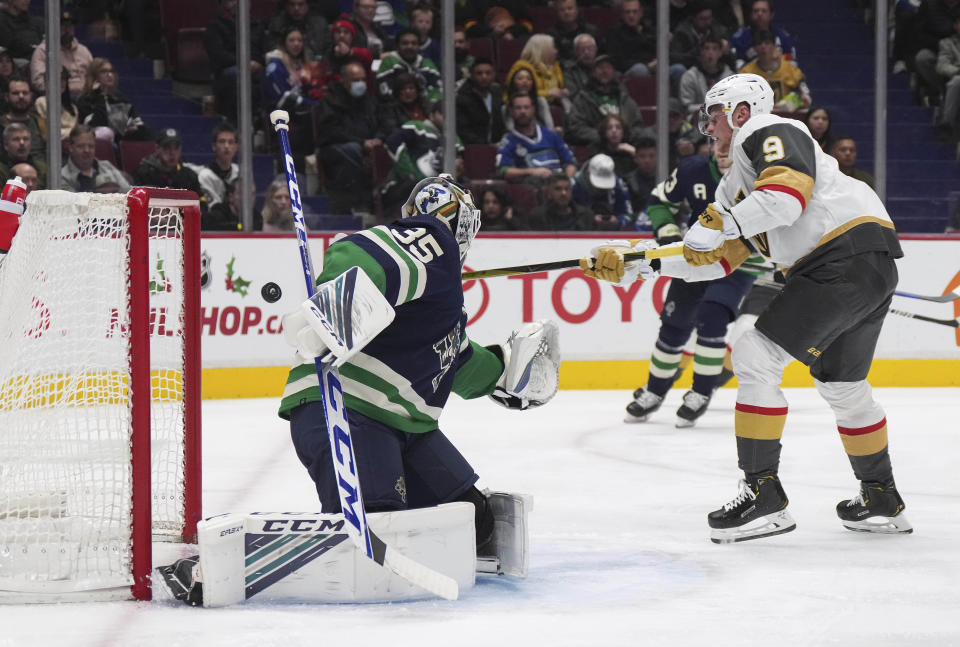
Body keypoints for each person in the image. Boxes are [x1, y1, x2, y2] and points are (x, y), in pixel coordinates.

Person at [581, 73, 911, 542]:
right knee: (843, 385)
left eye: (712, 118)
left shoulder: (766, 130)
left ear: (739, 112)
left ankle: (763, 496)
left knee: (755, 355)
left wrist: (721, 221)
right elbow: (714, 260)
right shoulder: (735, 186)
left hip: (839, 256)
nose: (707, 130)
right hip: (866, 262)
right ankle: (882, 496)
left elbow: (786, 196)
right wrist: (640, 263)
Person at [278, 176, 559, 563]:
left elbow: (455, 361)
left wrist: (510, 373)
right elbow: (361, 253)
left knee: (476, 525)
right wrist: (335, 308)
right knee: (378, 536)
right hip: (348, 410)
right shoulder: (435, 243)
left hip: (403, 427)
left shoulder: (439, 298)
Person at [619, 146, 756, 427]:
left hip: (738, 262)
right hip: (695, 259)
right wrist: (668, 234)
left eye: (729, 146)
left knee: (711, 317)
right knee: (673, 325)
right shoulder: (692, 169)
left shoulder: (755, 178)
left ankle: (701, 392)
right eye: (718, 142)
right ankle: (654, 391)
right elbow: (659, 201)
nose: (721, 150)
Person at [314, 62, 381, 214]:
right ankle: (359, 202)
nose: (360, 84)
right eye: (355, 80)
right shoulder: (331, 101)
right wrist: (361, 142)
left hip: (367, 146)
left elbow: (381, 123)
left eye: (363, 80)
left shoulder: (370, 101)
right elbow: (331, 131)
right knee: (352, 150)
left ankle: (379, 202)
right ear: (344, 80)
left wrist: (377, 139)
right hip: (335, 147)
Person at [380, 102, 463, 218]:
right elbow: (392, 143)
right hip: (402, 186)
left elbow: (459, 164)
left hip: (436, 192)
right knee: (416, 187)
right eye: (443, 114)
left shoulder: (454, 139)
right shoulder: (417, 127)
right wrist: (411, 174)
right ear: (432, 114)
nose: (447, 119)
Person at [565, 54, 650, 147]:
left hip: (626, 148)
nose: (604, 71)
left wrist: (623, 136)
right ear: (593, 72)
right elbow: (577, 127)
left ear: (614, 72)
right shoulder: (583, 99)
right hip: (596, 148)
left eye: (608, 67)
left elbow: (638, 126)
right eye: (600, 68)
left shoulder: (625, 99)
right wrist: (604, 137)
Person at [496, 94, 577, 185]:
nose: (523, 111)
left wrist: (566, 182)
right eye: (518, 108)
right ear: (511, 111)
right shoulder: (508, 141)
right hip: (532, 188)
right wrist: (531, 172)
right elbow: (504, 170)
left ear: (533, 109)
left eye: (526, 107)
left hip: (558, 186)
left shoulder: (551, 135)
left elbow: (571, 162)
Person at [203, 0, 264, 121]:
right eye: (232, 0)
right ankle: (236, 123)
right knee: (240, 76)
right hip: (228, 72)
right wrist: (244, 63)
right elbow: (218, 56)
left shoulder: (257, 24)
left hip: (255, 69)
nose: (237, 3)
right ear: (223, 4)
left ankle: (265, 122)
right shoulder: (215, 26)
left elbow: (263, 50)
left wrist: (258, 63)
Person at [76, 58, 151, 143]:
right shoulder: (85, 100)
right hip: (97, 145)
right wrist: (100, 96)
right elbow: (98, 127)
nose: (110, 75)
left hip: (122, 142)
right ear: (94, 76)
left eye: (112, 71)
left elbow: (139, 124)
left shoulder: (120, 99)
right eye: (104, 72)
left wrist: (135, 129)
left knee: (149, 133)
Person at [738, 30, 811, 112]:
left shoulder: (791, 70)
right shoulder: (746, 72)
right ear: (754, 48)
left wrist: (786, 106)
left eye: (767, 43)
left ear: (774, 46)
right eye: (759, 44)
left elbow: (806, 97)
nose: (763, 47)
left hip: (786, 117)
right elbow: (737, 99)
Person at [133, 128, 205, 207]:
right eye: (167, 147)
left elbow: (202, 203)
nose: (172, 153)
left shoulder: (190, 176)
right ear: (157, 148)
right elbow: (136, 203)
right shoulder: (144, 173)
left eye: (176, 148)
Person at [28, 11, 92, 96]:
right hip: (58, 97)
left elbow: (94, 76)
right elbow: (38, 82)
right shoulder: (43, 51)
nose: (67, 30)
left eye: (70, 26)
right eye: (63, 26)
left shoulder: (83, 51)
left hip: (85, 96)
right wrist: (63, 91)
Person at [377, 28, 442, 105]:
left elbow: (438, 90)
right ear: (397, 46)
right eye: (405, 43)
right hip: (395, 110)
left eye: (414, 43)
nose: (410, 47)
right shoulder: (389, 62)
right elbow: (384, 91)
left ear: (419, 46)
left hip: (424, 110)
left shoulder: (427, 64)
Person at [61, 124, 131, 193]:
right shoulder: (62, 177)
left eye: (91, 146)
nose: (87, 150)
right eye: (81, 146)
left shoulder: (107, 166)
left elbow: (128, 192)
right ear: (70, 148)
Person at [572, 153, 634, 230]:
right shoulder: (573, 186)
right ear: (588, 173)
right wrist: (589, 220)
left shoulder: (619, 185)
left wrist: (618, 221)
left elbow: (628, 215)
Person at [504, 34, 568, 107]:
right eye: (553, 47)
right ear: (543, 50)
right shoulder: (522, 67)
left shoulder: (555, 66)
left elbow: (560, 87)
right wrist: (548, 93)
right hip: (526, 106)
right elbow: (516, 93)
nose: (556, 51)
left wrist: (562, 92)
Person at [730, 0, 797, 68]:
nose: (759, 14)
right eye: (756, 11)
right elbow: (735, 64)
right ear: (751, 14)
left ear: (771, 15)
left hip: (779, 75)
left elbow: (791, 61)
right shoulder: (739, 38)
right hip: (749, 76)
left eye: (764, 11)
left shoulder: (783, 37)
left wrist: (780, 58)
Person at [679, 33, 734, 116]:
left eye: (714, 49)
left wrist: (720, 111)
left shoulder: (729, 77)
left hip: (723, 119)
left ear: (720, 53)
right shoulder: (690, 76)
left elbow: (732, 105)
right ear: (701, 51)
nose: (710, 53)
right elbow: (687, 107)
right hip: (697, 121)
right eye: (706, 48)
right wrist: (709, 108)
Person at [188, 121, 240, 207]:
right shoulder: (206, 176)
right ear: (214, 146)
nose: (226, 146)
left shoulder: (240, 172)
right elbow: (213, 208)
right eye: (222, 142)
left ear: (236, 147)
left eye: (231, 142)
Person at [456, 57, 505, 146]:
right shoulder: (462, 98)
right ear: (472, 75)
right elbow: (463, 131)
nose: (484, 77)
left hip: (497, 146)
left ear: (494, 75)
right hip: (473, 148)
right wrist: (486, 146)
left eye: (488, 73)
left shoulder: (497, 93)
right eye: (479, 73)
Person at [603, 0, 658, 78]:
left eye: (635, 11)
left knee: (677, 69)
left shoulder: (650, 30)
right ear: (622, 14)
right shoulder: (615, 33)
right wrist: (647, 65)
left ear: (641, 13)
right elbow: (618, 62)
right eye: (627, 12)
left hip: (655, 67)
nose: (631, 15)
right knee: (640, 69)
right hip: (630, 71)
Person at [670, 4, 729, 71]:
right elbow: (675, 58)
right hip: (690, 70)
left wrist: (726, 51)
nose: (707, 22)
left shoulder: (718, 31)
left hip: (715, 69)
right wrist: (698, 50)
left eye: (709, 18)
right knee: (678, 69)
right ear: (694, 19)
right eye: (702, 19)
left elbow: (731, 60)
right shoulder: (682, 33)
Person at [528, 172, 595, 230]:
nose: (563, 193)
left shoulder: (586, 215)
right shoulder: (538, 216)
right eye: (558, 189)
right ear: (549, 192)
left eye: (567, 189)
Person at [265, 0, 329, 57]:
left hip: (315, 66)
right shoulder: (277, 24)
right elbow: (273, 50)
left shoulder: (320, 24)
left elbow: (326, 50)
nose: (296, 8)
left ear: (307, 5)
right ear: (286, 6)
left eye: (301, 4)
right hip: (286, 65)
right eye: (292, 4)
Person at [1, 78, 45, 158]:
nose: (21, 96)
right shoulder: (1, 124)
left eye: (25, 93)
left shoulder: (41, 123)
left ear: (31, 96)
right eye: (15, 93)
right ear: (7, 97)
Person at [501, 67, 555, 132]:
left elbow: (550, 127)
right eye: (520, 78)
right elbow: (511, 130)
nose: (525, 81)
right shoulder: (506, 107)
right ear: (513, 82)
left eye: (529, 79)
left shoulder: (540, 102)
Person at [546, 0, 600, 64]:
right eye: (562, 10)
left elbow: (601, 54)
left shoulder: (591, 31)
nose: (566, 12)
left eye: (570, 8)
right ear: (557, 13)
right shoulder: (551, 34)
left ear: (577, 10)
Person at [33, 67, 79, 143]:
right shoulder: (41, 102)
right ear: (47, 82)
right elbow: (47, 132)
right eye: (57, 78)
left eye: (63, 79)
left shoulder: (73, 108)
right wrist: (72, 134)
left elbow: (78, 133)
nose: (61, 82)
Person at [377, 73, 427, 138]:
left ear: (417, 91)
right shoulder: (390, 109)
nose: (407, 92)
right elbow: (393, 132)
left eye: (411, 88)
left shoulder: (424, 106)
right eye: (403, 89)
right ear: (397, 92)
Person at [935, 14, 960, 139]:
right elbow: (942, 65)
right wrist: (957, 71)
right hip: (957, 76)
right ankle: (947, 123)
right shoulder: (947, 43)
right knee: (957, 81)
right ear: (956, 26)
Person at [592, 114, 638, 179]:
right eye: (609, 128)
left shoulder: (629, 152)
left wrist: (632, 151)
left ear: (623, 132)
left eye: (618, 127)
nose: (614, 131)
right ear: (604, 132)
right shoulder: (598, 153)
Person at [625, 136, 658, 213]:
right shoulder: (628, 182)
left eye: (652, 156)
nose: (647, 160)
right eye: (642, 156)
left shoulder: (667, 180)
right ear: (635, 158)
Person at [562, 33, 599, 98]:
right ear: (575, 52)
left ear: (596, 49)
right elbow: (573, 95)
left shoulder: (604, 67)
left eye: (590, 48)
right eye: (582, 49)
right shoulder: (569, 70)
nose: (586, 52)